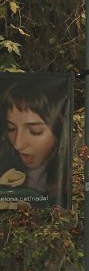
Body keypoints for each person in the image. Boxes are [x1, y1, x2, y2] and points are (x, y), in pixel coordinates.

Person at [0, 76, 70, 207]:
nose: (18, 144)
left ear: (59, 131)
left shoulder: (73, 178)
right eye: (11, 128)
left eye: (34, 131)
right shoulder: (5, 162)